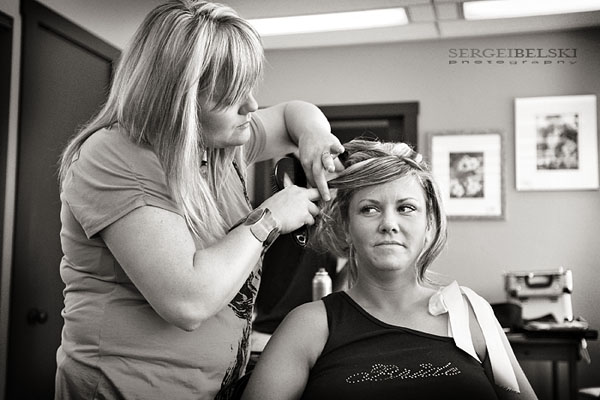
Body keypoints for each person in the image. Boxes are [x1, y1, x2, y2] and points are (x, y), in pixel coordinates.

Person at [54, 1, 344, 399]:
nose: (251, 106)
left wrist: (314, 133)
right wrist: (270, 218)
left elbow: (295, 113)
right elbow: (187, 302)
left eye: (249, 87)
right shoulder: (117, 155)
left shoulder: (217, 144)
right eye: (230, 96)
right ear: (179, 99)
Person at [242, 139, 538, 400]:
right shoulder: (309, 326)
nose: (389, 224)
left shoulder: (471, 313)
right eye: (369, 209)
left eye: (406, 208)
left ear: (429, 224)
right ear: (346, 226)